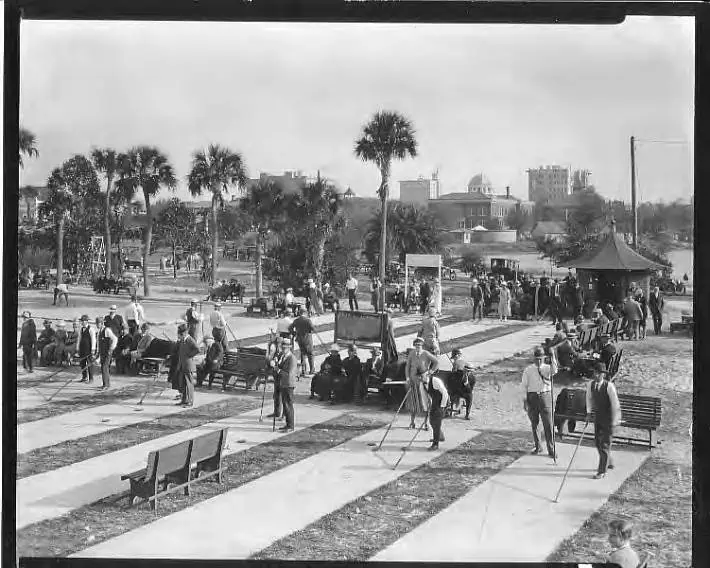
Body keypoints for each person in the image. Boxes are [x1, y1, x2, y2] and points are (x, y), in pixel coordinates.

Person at [585, 360, 621, 479]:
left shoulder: (609, 386)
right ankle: (608, 461)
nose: (595, 375)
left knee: (604, 444)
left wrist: (615, 422)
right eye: (595, 372)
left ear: (603, 374)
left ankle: (602, 471)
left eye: (598, 373)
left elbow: (615, 405)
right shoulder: (590, 385)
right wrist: (589, 413)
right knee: (597, 442)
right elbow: (589, 399)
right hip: (598, 418)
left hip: (609, 419)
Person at [521, 346, 558, 458]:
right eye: (536, 359)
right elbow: (524, 386)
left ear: (544, 358)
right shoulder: (528, 370)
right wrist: (524, 401)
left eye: (540, 359)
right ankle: (538, 447)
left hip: (545, 396)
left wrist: (553, 356)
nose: (538, 361)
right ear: (533, 358)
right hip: (532, 397)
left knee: (548, 424)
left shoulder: (547, 368)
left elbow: (555, 370)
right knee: (534, 423)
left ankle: (551, 449)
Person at [405, 337, 438, 431]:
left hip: (423, 382)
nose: (417, 346)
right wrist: (407, 377)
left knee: (426, 403)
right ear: (414, 345)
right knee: (413, 403)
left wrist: (430, 371)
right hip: (413, 381)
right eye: (416, 345)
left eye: (419, 345)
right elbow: (407, 366)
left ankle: (426, 423)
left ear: (422, 345)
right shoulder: (412, 353)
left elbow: (436, 362)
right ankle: (412, 422)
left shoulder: (426, 353)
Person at [172, 323, 200, 407]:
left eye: (180, 334)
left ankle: (190, 402)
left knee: (189, 384)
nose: (179, 336)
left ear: (184, 333)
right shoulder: (181, 341)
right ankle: (184, 400)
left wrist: (189, 355)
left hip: (188, 366)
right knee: (182, 384)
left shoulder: (190, 340)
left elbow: (197, 349)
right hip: (182, 365)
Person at [426, 364, 450, 450]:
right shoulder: (424, 382)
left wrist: (442, 406)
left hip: (442, 402)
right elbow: (429, 395)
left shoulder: (435, 381)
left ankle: (435, 444)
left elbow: (445, 393)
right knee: (432, 421)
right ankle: (440, 436)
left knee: (436, 422)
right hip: (435, 403)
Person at [277, 339, 298, 432]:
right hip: (283, 383)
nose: (283, 349)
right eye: (282, 347)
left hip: (289, 384)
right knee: (285, 405)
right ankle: (287, 424)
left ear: (289, 348)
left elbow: (289, 374)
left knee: (288, 405)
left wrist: (277, 369)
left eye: (285, 347)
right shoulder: (283, 356)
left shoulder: (292, 358)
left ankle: (291, 426)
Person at [289, 307, 315, 378]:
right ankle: (312, 370)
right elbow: (313, 328)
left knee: (303, 354)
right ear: (305, 313)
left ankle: (303, 370)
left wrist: (294, 333)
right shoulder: (308, 320)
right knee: (310, 354)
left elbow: (290, 328)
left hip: (300, 339)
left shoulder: (296, 320)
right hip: (307, 339)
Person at [448, 348, 474, 420]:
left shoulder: (456, 363)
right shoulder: (463, 362)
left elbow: (453, 373)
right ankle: (467, 414)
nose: (454, 359)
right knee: (469, 396)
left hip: (459, 388)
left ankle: (456, 408)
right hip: (462, 388)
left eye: (454, 357)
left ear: (457, 356)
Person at [97, 316, 118, 389]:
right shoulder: (99, 331)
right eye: (96, 323)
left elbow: (115, 339)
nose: (97, 325)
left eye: (98, 323)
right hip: (102, 352)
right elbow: (99, 343)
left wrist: (111, 349)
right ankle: (105, 384)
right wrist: (97, 353)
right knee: (103, 367)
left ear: (102, 323)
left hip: (107, 352)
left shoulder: (107, 330)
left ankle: (106, 385)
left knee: (104, 367)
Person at [266, 337, 284, 419]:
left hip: (283, 378)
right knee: (276, 395)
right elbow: (270, 357)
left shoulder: (285, 354)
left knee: (283, 396)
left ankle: (284, 414)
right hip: (276, 375)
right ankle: (276, 412)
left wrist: (275, 366)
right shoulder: (276, 351)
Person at [78, 315, 97, 383]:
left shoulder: (91, 329)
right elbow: (79, 339)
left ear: (87, 321)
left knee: (89, 364)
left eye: (84, 321)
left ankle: (91, 378)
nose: (83, 322)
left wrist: (93, 349)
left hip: (89, 349)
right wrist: (78, 348)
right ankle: (84, 377)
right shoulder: (80, 329)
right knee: (82, 363)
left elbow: (93, 340)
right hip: (82, 348)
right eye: (82, 321)